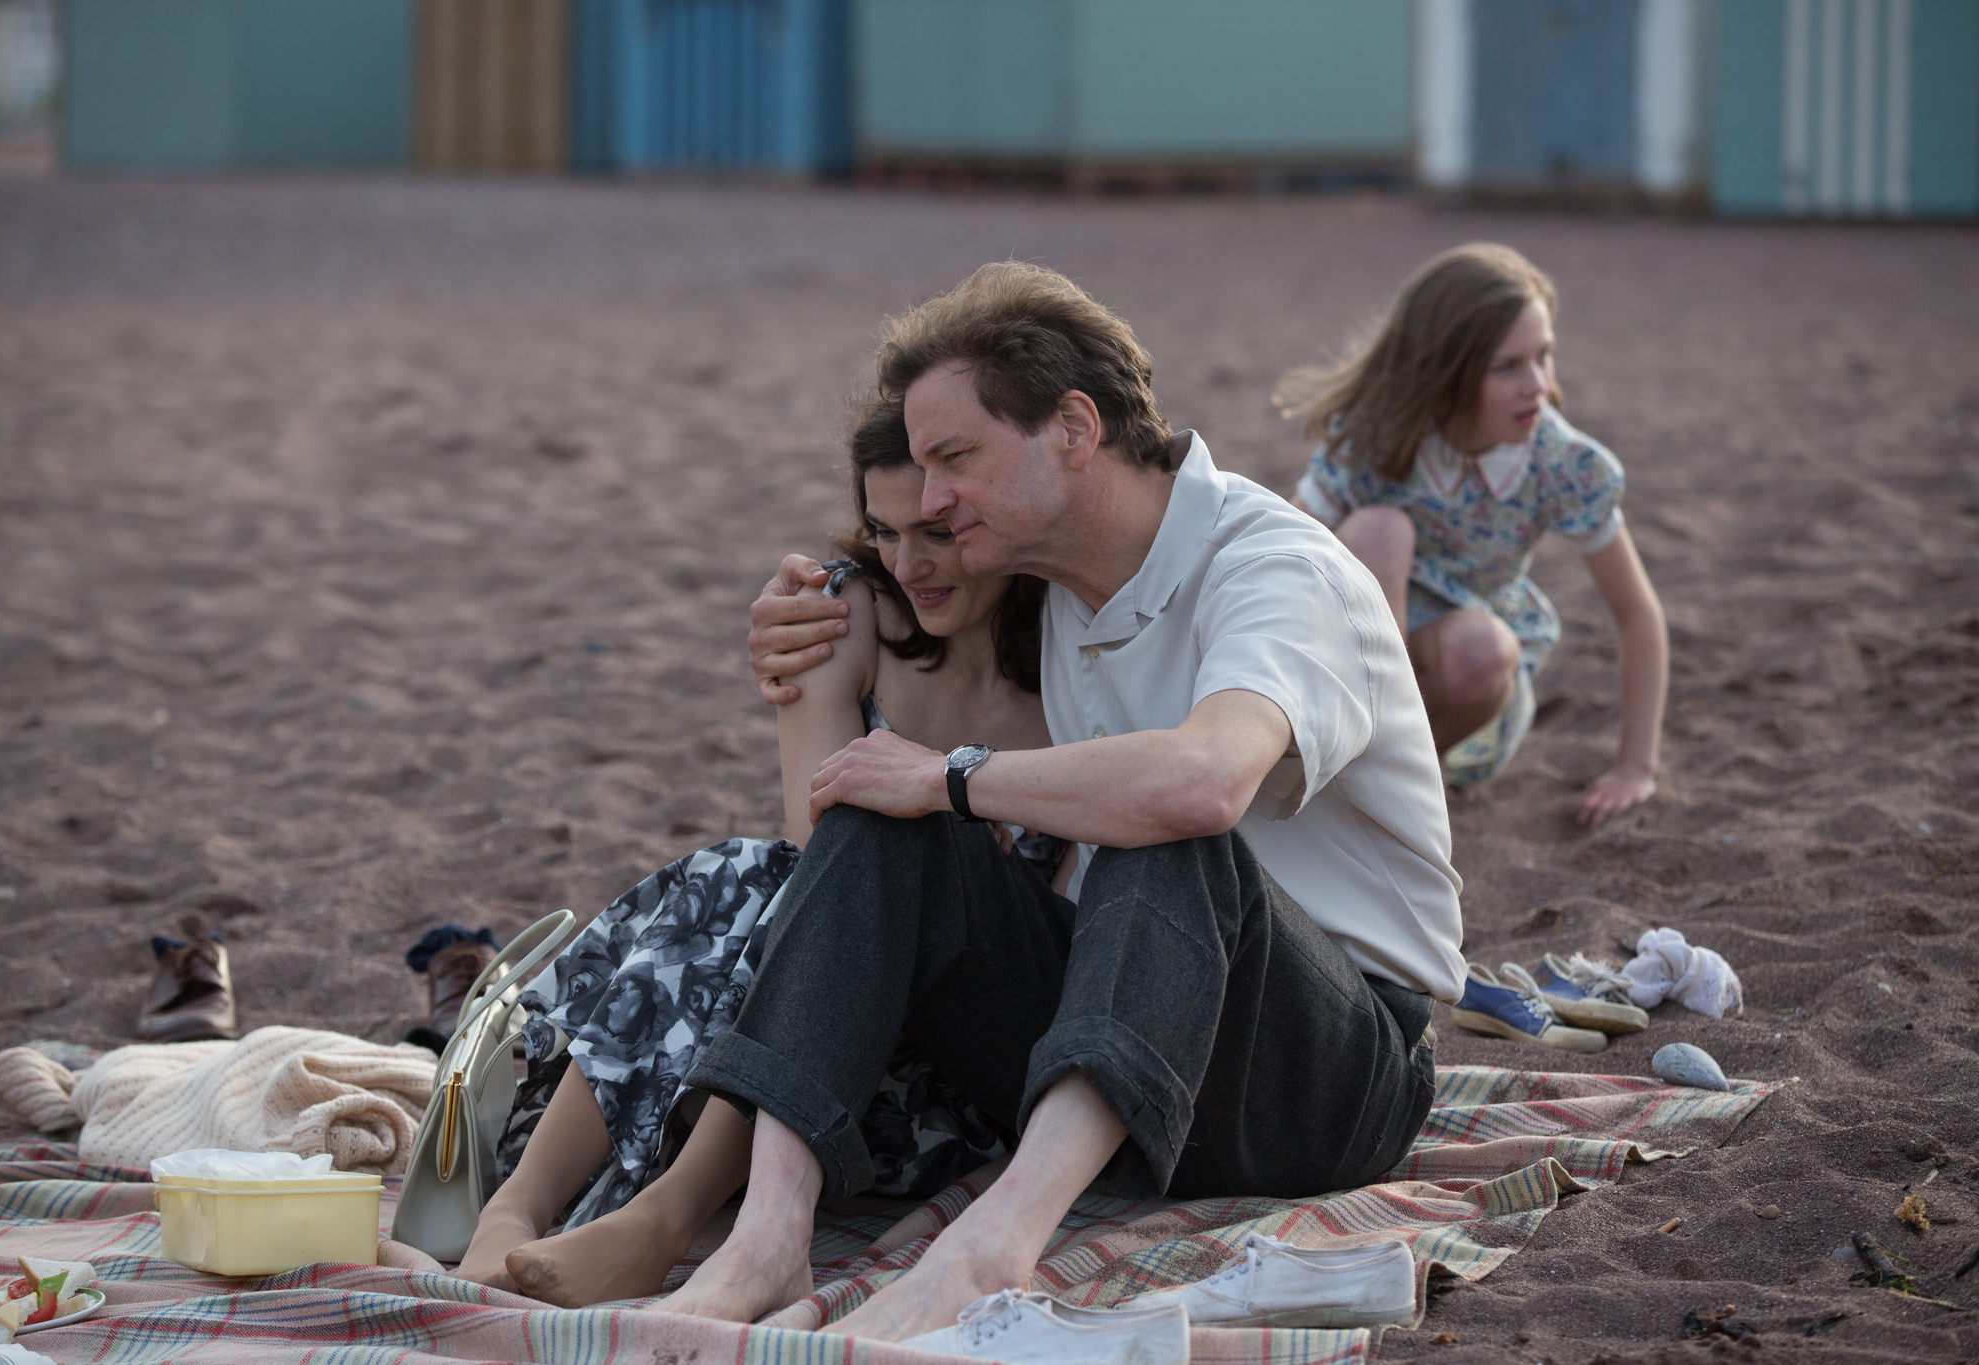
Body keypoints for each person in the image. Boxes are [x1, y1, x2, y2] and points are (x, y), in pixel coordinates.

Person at [662, 261, 1465, 1343]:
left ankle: (991, 1248)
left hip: (1326, 1077)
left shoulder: (1273, 570)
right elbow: (902, 602)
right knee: (877, 808)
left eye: (955, 459)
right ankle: (765, 1236)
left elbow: (1201, 781)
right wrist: (804, 628)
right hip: (1125, 1061)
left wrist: (944, 775)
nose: (931, 499)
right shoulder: (1057, 590)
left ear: (1074, 428)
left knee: (1162, 818)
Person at [450, 398, 1065, 1306]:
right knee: (755, 877)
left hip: (945, 1078)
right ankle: (517, 1206)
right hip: (816, 1032)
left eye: (938, 529)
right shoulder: (838, 611)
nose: (911, 563)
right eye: (886, 530)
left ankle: (665, 1212)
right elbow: (827, 868)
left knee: (773, 887)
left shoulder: (1077, 663)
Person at [1276, 243, 1668, 826]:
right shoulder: (1377, 434)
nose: (1537, 384)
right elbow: (1279, 553)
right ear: (1446, 370)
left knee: (1482, 648)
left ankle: (1396, 773)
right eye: (1508, 366)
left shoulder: (1562, 464)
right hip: (1362, 653)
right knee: (1379, 531)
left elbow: (1638, 615)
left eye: (1545, 356)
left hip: (1466, 684)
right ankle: (1344, 752)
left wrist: (1636, 767)